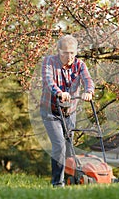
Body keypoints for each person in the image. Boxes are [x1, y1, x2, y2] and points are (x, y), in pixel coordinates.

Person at [40, 35, 94, 187]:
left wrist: (89, 91)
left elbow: (87, 79)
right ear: (58, 51)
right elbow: (48, 81)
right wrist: (59, 92)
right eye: (65, 53)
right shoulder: (49, 62)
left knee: (69, 146)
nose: (69, 56)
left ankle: (73, 179)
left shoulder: (80, 65)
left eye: (72, 53)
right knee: (59, 145)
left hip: (70, 112)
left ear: (76, 52)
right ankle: (58, 183)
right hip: (50, 111)